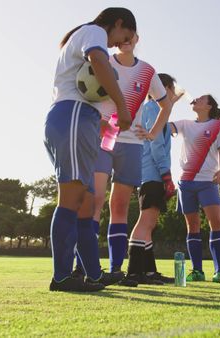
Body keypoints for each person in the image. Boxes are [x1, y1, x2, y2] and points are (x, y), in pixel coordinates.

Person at [44, 7, 137, 292]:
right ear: (117, 23)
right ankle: (61, 277)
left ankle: (93, 275)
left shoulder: (84, 35)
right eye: (124, 37)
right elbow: (97, 60)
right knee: (71, 199)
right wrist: (122, 106)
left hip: (78, 120)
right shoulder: (94, 31)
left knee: (86, 202)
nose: (119, 44)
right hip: (72, 116)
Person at [84, 33, 174, 287]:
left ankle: (115, 268)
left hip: (132, 144)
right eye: (121, 36)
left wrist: (154, 132)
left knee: (120, 206)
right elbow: (85, 95)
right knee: (96, 199)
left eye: (130, 36)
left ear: (137, 38)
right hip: (103, 141)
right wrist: (97, 121)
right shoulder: (103, 62)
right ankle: (85, 265)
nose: (125, 40)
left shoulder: (147, 71)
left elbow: (166, 106)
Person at [170, 94, 220, 284]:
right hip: (186, 183)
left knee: (216, 222)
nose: (196, 99)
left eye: (201, 98)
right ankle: (197, 271)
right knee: (192, 226)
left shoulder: (217, 126)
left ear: (209, 106)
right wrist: (167, 102)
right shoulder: (184, 124)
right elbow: (163, 128)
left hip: (208, 181)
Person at [123, 73, 181, 285]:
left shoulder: (153, 108)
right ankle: (133, 272)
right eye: (171, 89)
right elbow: (155, 143)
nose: (173, 94)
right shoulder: (153, 108)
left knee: (150, 223)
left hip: (151, 173)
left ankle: (148, 272)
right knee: (145, 222)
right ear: (163, 88)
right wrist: (166, 175)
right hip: (153, 174)